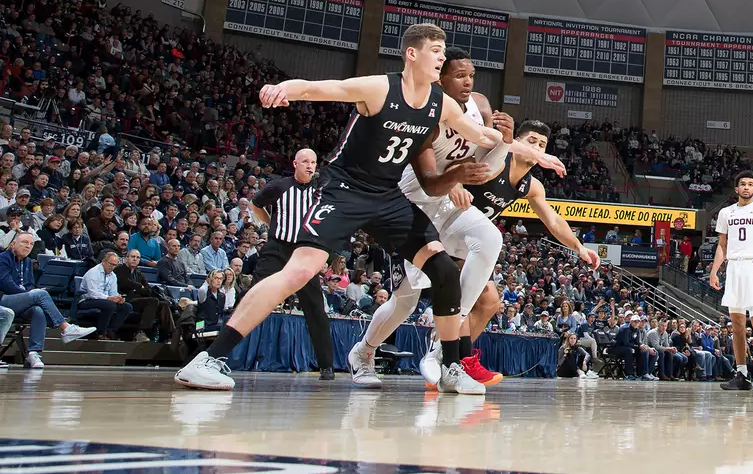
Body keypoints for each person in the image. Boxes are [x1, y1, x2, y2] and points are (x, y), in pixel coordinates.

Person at [173, 22, 554, 393]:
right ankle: (208, 358)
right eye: (435, 51)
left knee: (442, 270)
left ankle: (452, 366)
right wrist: (282, 87)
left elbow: (483, 134)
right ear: (412, 54)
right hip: (344, 190)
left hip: (387, 197)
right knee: (300, 271)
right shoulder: (379, 88)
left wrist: (533, 152)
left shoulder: (440, 104)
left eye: (442, 52)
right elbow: (323, 88)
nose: (440, 58)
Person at [349, 118, 596, 388]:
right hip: (431, 221)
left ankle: (447, 354)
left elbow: (553, 221)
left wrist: (579, 247)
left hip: (463, 238)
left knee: (489, 300)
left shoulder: (531, 185)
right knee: (404, 303)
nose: (538, 149)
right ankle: (367, 351)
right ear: (517, 142)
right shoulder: (494, 156)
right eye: (532, 142)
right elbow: (453, 163)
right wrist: (452, 183)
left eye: (543, 145)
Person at [246, 148, 334, 380]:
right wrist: (272, 223)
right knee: (254, 295)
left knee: (315, 308)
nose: (310, 165)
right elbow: (255, 204)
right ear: (295, 163)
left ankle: (326, 365)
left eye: (313, 162)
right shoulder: (279, 186)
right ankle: (223, 352)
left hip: (304, 253)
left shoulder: (320, 188)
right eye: (305, 161)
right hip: (278, 248)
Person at [707, 171, 753, 392]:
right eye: (742, 184)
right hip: (734, 268)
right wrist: (714, 270)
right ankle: (742, 374)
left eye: (750, 184)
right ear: (736, 189)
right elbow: (722, 245)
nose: (746, 187)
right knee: (737, 325)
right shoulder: (725, 213)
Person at [0, 230, 96, 366]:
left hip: (20, 302)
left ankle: (33, 353)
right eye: (24, 242)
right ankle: (66, 328)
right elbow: (6, 284)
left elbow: (29, 284)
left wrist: (30, 293)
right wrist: (30, 294)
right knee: (40, 294)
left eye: (31, 244)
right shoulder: (3, 259)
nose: (28, 246)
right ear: (13, 244)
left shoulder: (27, 262)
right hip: (4, 300)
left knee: (38, 310)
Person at [76, 248, 135, 339]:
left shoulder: (113, 275)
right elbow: (93, 294)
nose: (112, 267)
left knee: (127, 307)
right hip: (86, 300)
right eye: (111, 264)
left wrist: (118, 298)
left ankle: (110, 331)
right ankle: (101, 332)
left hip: (104, 300)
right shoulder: (93, 273)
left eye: (115, 265)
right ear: (104, 261)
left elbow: (113, 292)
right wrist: (109, 298)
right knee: (109, 305)